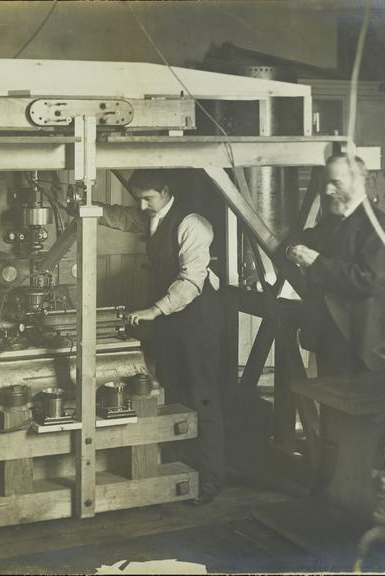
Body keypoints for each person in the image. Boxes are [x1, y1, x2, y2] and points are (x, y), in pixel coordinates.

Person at [98, 169, 225, 504]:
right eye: (138, 198)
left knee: (202, 395)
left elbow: (191, 281)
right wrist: (85, 207)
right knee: (174, 388)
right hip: (172, 320)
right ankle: (180, 468)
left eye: (148, 198)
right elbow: (121, 217)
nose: (142, 205)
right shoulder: (151, 216)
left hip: (198, 318)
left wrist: (154, 310)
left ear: (166, 191)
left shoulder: (191, 224)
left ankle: (211, 478)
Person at [286, 154, 385, 377]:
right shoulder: (332, 223)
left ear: (358, 181)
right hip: (331, 339)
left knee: (356, 410)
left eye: (335, 183)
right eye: (326, 183)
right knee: (331, 410)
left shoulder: (379, 225)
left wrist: (315, 262)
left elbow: (369, 280)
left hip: (362, 344)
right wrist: (290, 249)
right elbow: (302, 239)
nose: (328, 191)